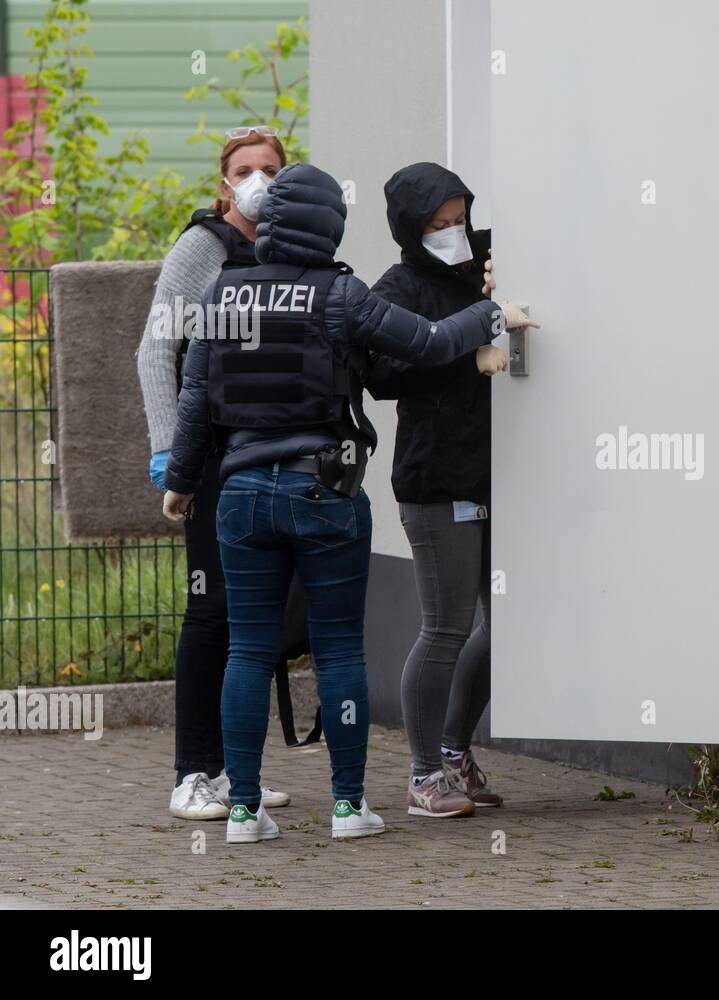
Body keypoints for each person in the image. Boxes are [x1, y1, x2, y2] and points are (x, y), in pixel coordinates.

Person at [160, 162, 535, 844]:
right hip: (322, 489)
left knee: (247, 650)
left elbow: (194, 399)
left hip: (239, 493)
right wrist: (488, 315)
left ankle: (243, 813)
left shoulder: (220, 293)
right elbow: (423, 343)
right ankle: (348, 808)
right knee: (337, 652)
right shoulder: (340, 294)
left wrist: (181, 482)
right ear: (329, 226)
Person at [136, 125, 295, 821]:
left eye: (269, 168)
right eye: (244, 169)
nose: (257, 179)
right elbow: (154, 349)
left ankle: (234, 773)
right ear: (223, 182)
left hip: (271, 458)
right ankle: (190, 773)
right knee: (211, 612)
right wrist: (172, 451)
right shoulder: (203, 247)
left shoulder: (293, 250)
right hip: (212, 461)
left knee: (253, 619)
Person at [367, 163, 506, 819]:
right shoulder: (397, 288)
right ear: (410, 228)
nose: (454, 233)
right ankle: (425, 775)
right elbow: (381, 371)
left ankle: (454, 751)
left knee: (511, 623)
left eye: (460, 219)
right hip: (436, 478)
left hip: (501, 473)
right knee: (446, 627)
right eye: (438, 225)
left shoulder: (488, 266)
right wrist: (465, 338)